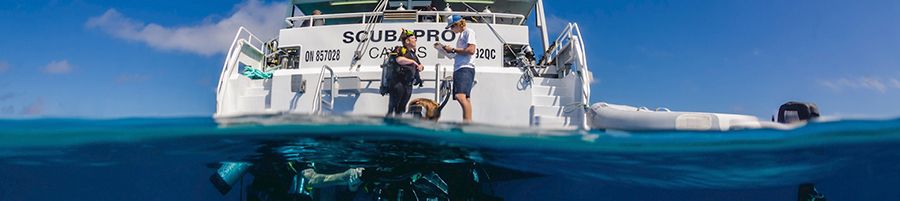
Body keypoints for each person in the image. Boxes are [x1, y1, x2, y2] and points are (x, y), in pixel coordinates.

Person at [435, 15, 477, 123]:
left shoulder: (468, 32)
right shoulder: (462, 35)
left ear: (457, 24)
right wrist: (447, 50)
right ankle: (467, 122)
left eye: (451, 27)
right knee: (465, 98)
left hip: (464, 68)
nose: (451, 30)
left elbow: (471, 50)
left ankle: (468, 123)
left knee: (460, 96)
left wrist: (452, 49)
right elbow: (461, 53)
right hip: (462, 68)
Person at [386, 29, 425, 116]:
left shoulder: (413, 54)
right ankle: (389, 125)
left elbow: (420, 65)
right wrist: (413, 62)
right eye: (413, 38)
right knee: (393, 108)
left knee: (402, 108)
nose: (415, 40)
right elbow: (399, 60)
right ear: (407, 41)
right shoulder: (399, 49)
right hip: (398, 83)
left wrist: (420, 67)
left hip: (408, 85)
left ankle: (398, 125)